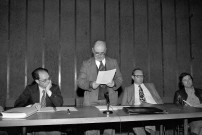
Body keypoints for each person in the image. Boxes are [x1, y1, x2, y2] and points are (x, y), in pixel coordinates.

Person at [77, 40, 123, 135]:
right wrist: (91, 84)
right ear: (92, 50)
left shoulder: (113, 62)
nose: (99, 56)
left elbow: (120, 79)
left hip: (110, 101)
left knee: (109, 131)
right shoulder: (86, 64)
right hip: (91, 102)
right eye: (97, 53)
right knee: (91, 131)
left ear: (106, 50)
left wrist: (114, 83)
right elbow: (80, 82)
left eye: (102, 53)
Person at [14, 67, 63, 135]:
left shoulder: (55, 88)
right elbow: (18, 104)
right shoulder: (30, 89)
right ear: (37, 81)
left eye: (48, 78)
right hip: (34, 123)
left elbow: (59, 104)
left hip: (51, 123)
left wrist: (48, 91)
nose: (48, 81)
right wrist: (31, 106)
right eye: (44, 80)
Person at [121, 68, 163, 135]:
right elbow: (123, 105)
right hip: (137, 110)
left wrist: (153, 106)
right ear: (133, 77)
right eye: (138, 76)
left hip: (153, 108)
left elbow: (159, 100)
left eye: (142, 76)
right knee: (134, 121)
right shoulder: (128, 89)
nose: (141, 78)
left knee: (149, 116)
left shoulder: (151, 86)